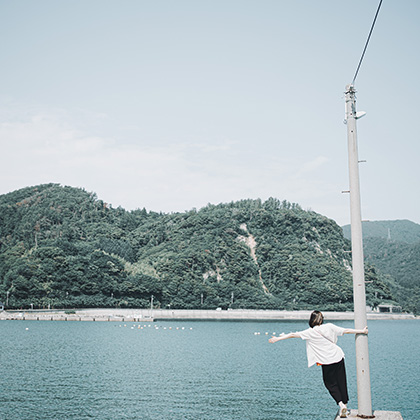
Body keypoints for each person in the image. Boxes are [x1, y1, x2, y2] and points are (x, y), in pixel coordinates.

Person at [269, 310, 368, 419]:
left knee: (330, 384)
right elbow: (346, 331)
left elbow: (293, 335)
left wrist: (277, 339)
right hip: (338, 357)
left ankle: (340, 404)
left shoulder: (309, 332)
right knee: (341, 381)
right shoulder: (329, 327)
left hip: (326, 361)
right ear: (322, 319)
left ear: (311, 320)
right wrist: (362, 331)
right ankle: (345, 406)